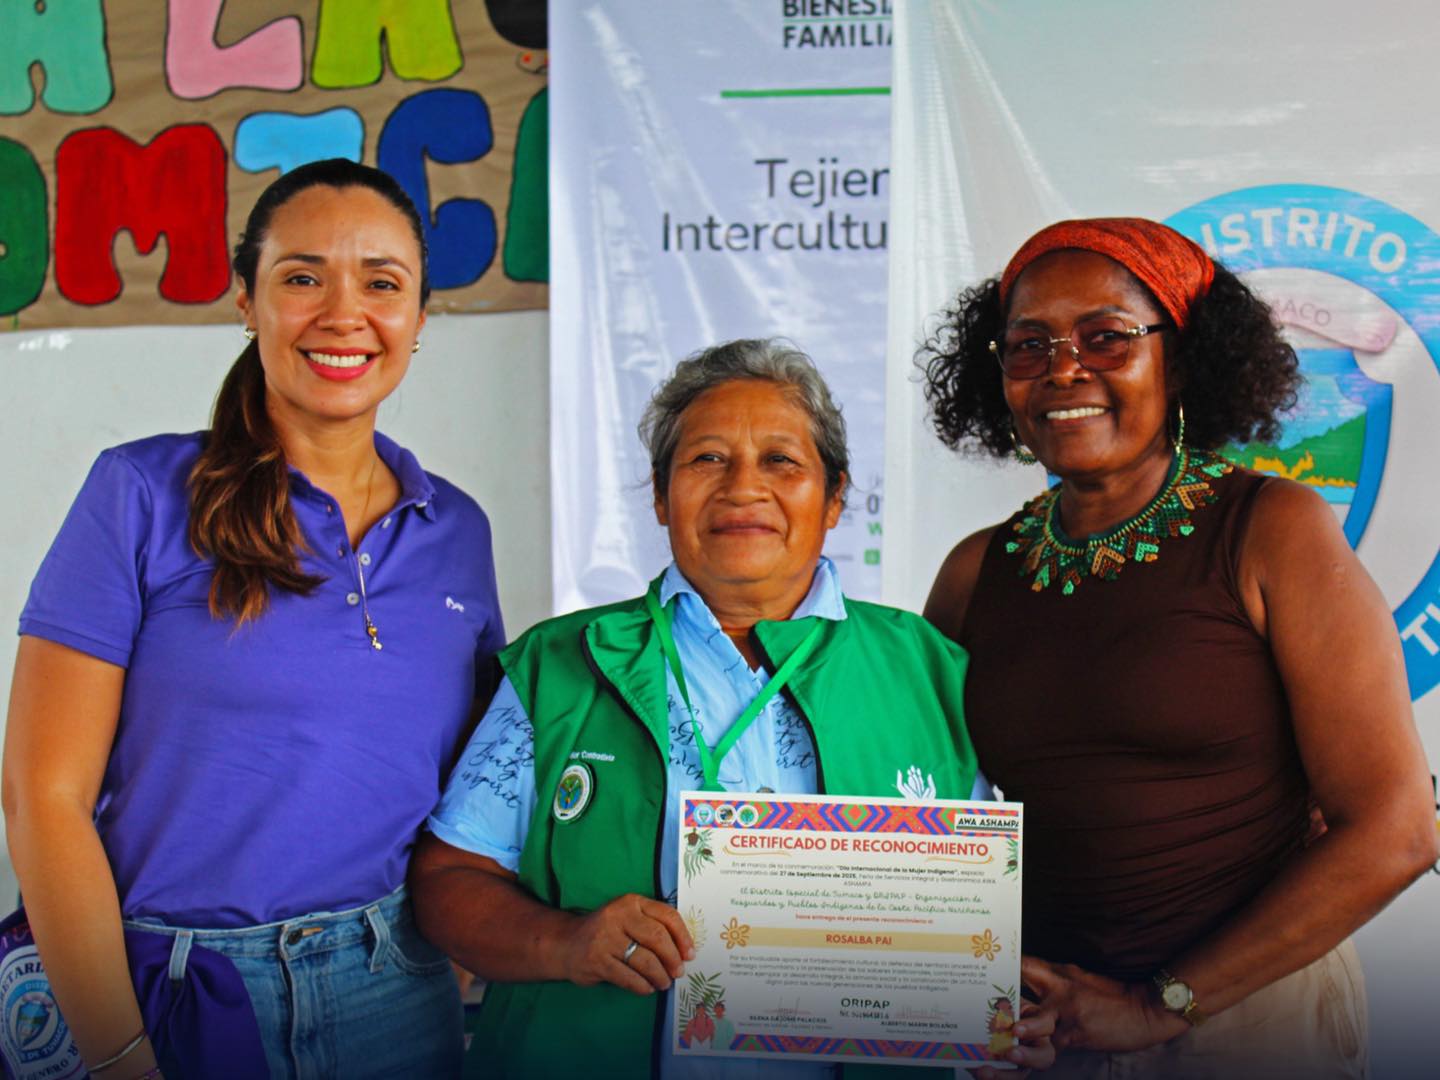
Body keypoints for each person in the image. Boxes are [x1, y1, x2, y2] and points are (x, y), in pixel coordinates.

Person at [411, 339, 1055, 1079]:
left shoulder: (927, 669)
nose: (743, 487)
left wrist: (990, 1019)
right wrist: (565, 942)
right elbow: (447, 880)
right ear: (662, 496)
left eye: (781, 460)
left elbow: (977, 912)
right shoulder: (559, 665)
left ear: (835, 497)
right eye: (707, 459)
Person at [2, 159, 505, 1079]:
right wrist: (119, 1054)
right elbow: (44, 796)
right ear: (247, 300)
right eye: (303, 277)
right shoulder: (141, 494)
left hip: (396, 990)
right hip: (173, 989)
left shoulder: (457, 530)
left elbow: (473, 789)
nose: (344, 314)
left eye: (382, 284)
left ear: (420, 317)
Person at [918, 217, 1437, 1079]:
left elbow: (1396, 832)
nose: (1063, 370)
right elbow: (915, 809)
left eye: (1106, 338)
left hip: (1246, 1019)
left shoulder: (1271, 531)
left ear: (1185, 357)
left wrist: (1155, 1006)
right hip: (1047, 1033)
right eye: (1029, 345)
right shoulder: (976, 572)